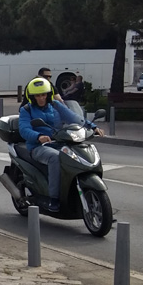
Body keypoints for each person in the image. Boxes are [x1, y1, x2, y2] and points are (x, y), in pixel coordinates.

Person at [19, 77, 103, 212]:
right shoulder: (27, 110)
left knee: (79, 154)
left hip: (60, 142)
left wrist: (92, 127)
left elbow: (73, 117)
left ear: (48, 94)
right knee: (55, 158)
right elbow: (24, 129)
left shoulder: (55, 105)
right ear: (32, 97)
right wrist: (39, 136)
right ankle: (53, 198)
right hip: (39, 147)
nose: (41, 98)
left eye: (44, 94)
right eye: (38, 95)